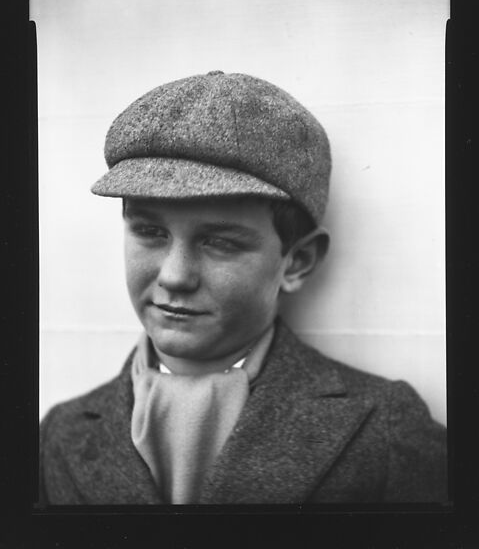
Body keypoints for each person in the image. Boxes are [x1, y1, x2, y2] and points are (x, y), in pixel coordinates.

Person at [38, 71, 447, 505]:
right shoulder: (59, 433)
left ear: (298, 261)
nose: (175, 276)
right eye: (150, 232)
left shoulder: (385, 429)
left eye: (219, 243)